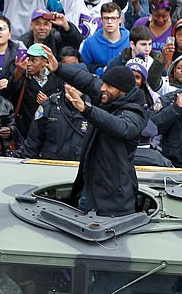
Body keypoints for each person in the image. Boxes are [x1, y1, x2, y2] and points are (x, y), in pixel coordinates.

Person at [41, 46, 147, 217]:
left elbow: (121, 127)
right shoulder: (108, 97)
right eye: (104, 83)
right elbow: (88, 81)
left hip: (114, 199)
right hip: (89, 187)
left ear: (122, 91)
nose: (103, 88)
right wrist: (58, 68)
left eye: (109, 86)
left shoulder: (135, 113)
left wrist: (87, 110)